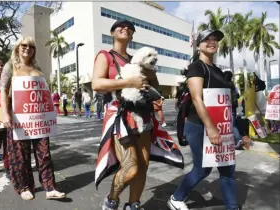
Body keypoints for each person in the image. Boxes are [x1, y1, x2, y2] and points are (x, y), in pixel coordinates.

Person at [93, 19, 184, 210]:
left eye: (130, 28)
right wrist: (130, 83)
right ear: (112, 33)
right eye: (120, 26)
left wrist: (150, 75)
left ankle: (133, 205)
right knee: (130, 168)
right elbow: (97, 84)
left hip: (143, 115)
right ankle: (111, 202)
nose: (125, 28)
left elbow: (155, 87)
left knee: (143, 165)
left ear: (133, 35)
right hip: (120, 116)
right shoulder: (105, 56)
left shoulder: (139, 59)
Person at [167, 29, 239, 210]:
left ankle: (232, 207)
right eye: (207, 39)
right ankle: (176, 198)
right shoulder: (197, 67)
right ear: (198, 45)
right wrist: (210, 127)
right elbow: (197, 98)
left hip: (222, 126)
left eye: (215, 39)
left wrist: (236, 131)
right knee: (203, 169)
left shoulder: (218, 70)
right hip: (199, 126)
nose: (212, 42)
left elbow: (225, 104)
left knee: (228, 169)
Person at [0, 36, 65, 201]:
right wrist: (6, 114)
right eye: (24, 45)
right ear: (18, 47)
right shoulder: (10, 66)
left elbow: (44, 95)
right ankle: (23, 186)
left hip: (39, 119)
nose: (27, 48)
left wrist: (51, 113)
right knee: (20, 155)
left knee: (44, 153)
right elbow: (2, 91)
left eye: (31, 46)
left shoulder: (37, 69)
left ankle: (49, 187)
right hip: (18, 118)